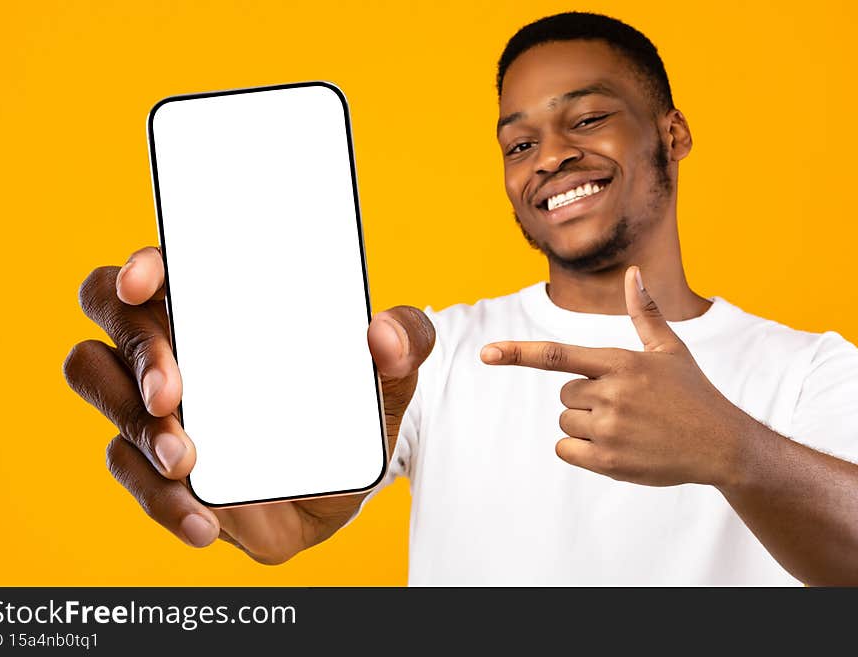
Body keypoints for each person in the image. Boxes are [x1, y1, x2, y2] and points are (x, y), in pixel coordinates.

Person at [64, 12, 858, 585]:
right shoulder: (434, 357)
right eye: (518, 143)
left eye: (587, 117)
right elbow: (298, 509)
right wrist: (265, 487)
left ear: (672, 131)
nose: (549, 158)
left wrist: (732, 449)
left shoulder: (810, 370)